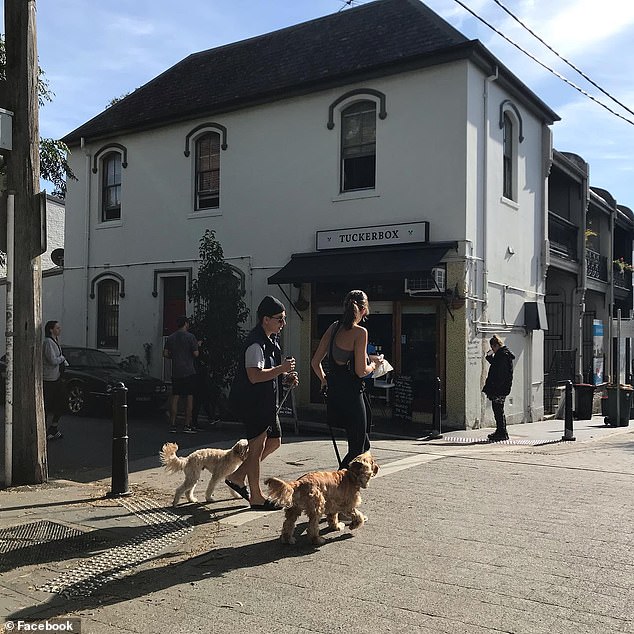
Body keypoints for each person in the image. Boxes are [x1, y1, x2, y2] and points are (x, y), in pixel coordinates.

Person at [226, 295, 297, 510]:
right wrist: (281, 369)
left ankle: (237, 477)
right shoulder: (255, 344)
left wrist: (285, 378)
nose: (283, 323)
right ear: (265, 319)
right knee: (256, 448)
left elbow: (268, 373)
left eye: (284, 319)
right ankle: (255, 497)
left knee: (274, 442)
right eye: (280, 319)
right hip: (254, 403)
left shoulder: (270, 341)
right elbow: (254, 376)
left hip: (267, 402)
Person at [311, 290, 382, 468]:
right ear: (364, 310)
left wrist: (324, 379)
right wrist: (375, 365)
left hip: (336, 393)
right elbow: (360, 371)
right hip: (352, 394)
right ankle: (339, 485)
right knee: (358, 447)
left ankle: (347, 488)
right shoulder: (360, 332)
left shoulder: (334, 328)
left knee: (360, 443)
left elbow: (315, 362)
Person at [163, 315, 199, 433]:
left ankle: (172, 424)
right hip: (188, 371)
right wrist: (198, 346)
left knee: (175, 396)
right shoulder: (190, 337)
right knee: (189, 397)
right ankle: (187, 425)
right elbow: (196, 354)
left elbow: (165, 353)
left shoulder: (171, 337)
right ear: (186, 324)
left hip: (176, 371)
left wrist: (175, 356)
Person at [482, 334, 515, 442]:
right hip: (502, 388)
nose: (492, 350)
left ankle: (502, 432)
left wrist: (495, 388)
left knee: (498, 410)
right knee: (498, 409)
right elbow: (498, 367)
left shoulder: (502, 356)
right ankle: (501, 431)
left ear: (496, 346)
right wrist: (490, 359)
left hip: (499, 389)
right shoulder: (502, 355)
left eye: (493, 348)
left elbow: (500, 373)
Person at [42, 320, 68, 441]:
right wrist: (62, 358)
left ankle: (54, 427)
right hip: (49, 378)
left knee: (61, 403)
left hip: (57, 377)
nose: (59, 330)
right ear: (51, 329)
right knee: (47, 404)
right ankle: (44, 431)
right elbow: (52, 360)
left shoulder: (56, 341)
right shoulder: (48, 342)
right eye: (57, 328)